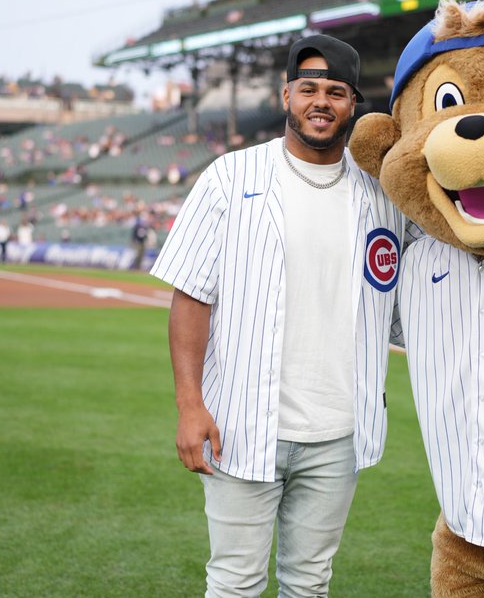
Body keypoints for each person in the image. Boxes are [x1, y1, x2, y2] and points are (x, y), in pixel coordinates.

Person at [150, 34, 404, 597]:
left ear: (353, 105)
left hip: (340, 432)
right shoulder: (228, 178)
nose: (321, 101)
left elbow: (403, 311)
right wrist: (189, 405)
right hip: (241, 425)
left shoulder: (383, 198)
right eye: (308, 88)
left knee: (309, 583)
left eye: (336, 91)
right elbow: (191, 296)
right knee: (235, 582)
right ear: (286, 93)